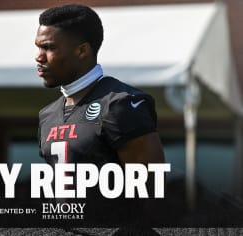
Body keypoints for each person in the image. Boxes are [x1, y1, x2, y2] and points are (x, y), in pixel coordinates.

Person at [35, 4, 165, 225]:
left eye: (48, 47)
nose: (39, 57)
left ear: (82, 50)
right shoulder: (47, 115)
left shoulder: (120, 104)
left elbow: (152, 198)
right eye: (38, 48)